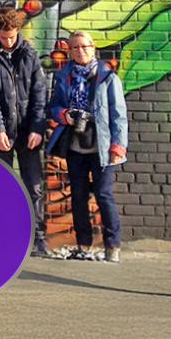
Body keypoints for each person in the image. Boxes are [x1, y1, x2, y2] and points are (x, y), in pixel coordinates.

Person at [46, 31, 127, 262]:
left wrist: (118, 146)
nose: (80, 51)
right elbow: (54, 106)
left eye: (85, 46)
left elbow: (119, 115)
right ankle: (84, 245)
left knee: (103, 194)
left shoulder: (108, 77)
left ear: (93, 49)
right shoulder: (63, 76)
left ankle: (113, 246)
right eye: (75, 47)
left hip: (102, 146)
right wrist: (64, 115)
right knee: (78, 196)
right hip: (75, 145)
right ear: (69, 51)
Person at [0, 7, 50, 258]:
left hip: (28, 130)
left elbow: (40, 94)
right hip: (0, 132)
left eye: (12, 35)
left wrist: (38, 128)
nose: (8, 41)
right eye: (4, 36)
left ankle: (37, 237)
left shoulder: (29, 55)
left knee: (33, 186)